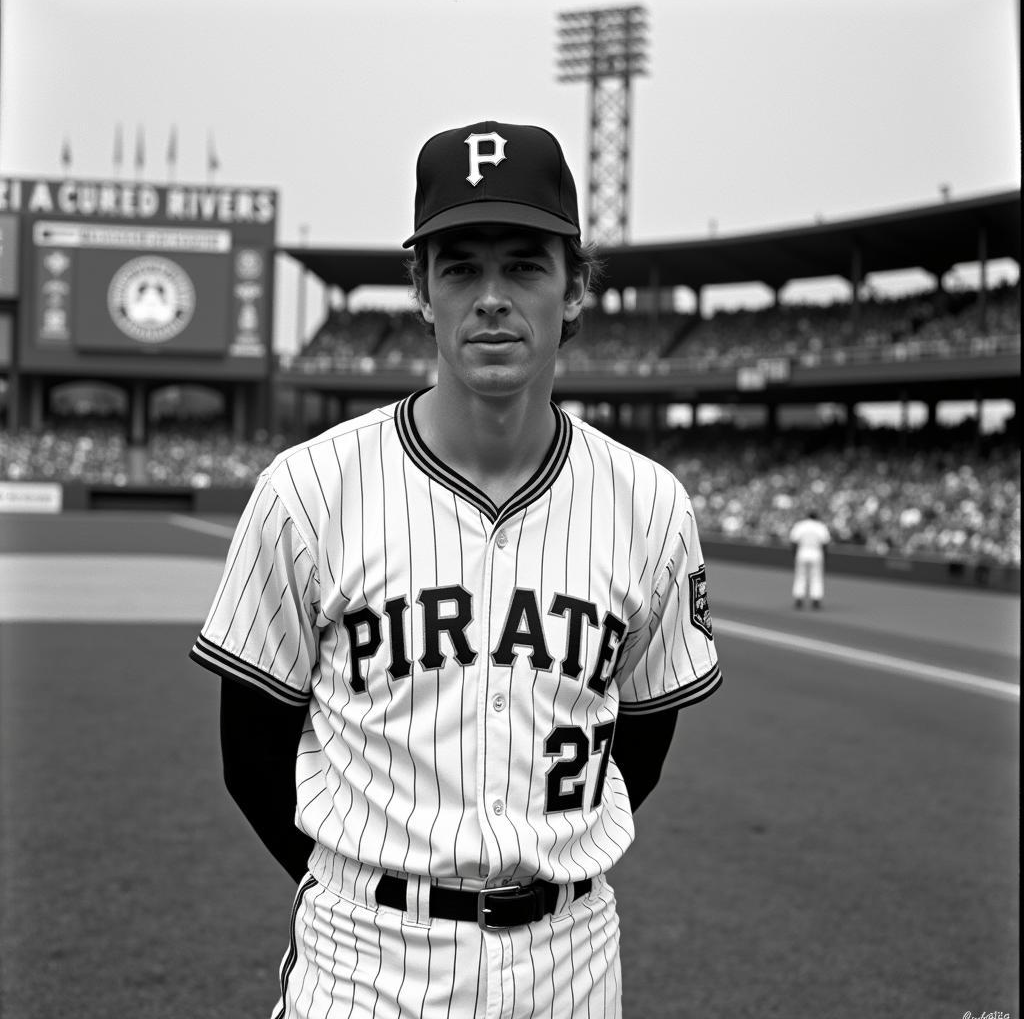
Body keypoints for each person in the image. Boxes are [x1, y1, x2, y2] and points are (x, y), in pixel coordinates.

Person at [190, 120, 722, 1019]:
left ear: (576, 287)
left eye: (524, 266)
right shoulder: (308, 489)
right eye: (460, 267)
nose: (492, 299)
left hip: (573, 962)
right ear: (421, 290)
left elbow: (644, 737)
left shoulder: (651, 504)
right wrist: (373, 888)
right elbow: (250, 755)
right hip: (364, 961)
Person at [789, 508, 831, 609]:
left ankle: (799, 598)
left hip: (802, 552)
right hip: (816, 552)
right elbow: (825, 544)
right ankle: (816, 599)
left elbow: (794, 542)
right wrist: (825, 556)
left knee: (800, 576)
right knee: (816, 577)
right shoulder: (820, 526)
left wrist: (794, 555)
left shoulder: (800, 525)